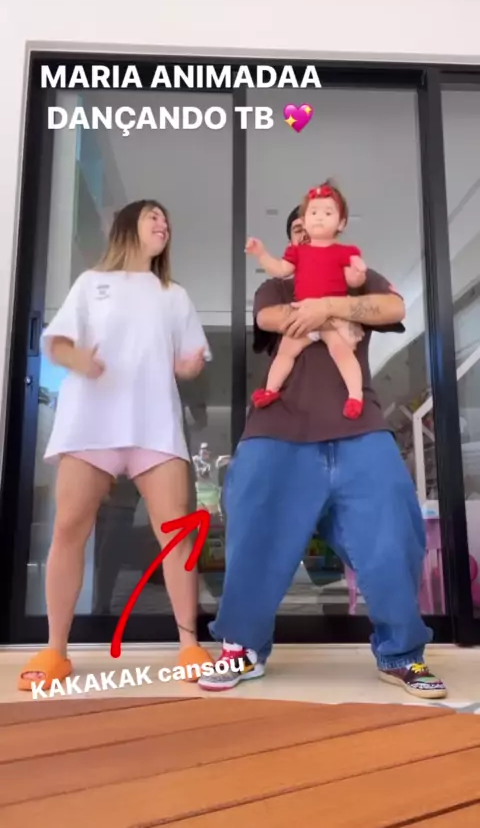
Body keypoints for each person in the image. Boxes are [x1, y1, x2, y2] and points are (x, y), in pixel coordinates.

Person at [198, 204, 447, 700]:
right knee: (252, 535)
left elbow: (393, 308)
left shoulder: (356, 273)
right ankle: (242, 648)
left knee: (394, 533)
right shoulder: (278, 285)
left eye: (315, 223)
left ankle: (401, 655)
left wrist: (330, 304)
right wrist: (327, 312)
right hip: (276, 430)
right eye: (297, 229)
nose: (307, 232)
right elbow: (268, 317)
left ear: (336, 228)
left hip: (359, 427)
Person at [19, 199, 214, 690]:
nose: (163, 224)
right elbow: (56, 342)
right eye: (153, 216)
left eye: (166, 220)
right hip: (91, 424)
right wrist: (78, 360)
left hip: (154, 425)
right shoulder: (91, 284)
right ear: (129, 226)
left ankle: (189, 645)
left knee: (176, 534)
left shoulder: (174, 295)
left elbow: (189, 359)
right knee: (69, 528)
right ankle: (55, 650)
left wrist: (189, 366)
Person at [247, 181, 366, 418]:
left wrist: (358, 272)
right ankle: (270, 390)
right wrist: (261, 254)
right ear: (305, 220)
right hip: (303, 317)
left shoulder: (345, 252)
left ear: (341, 223)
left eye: (327, 213)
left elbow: (353, 281)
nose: (319, 218)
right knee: (284, 353)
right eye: (313, 213)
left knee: (342, 352)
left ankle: (355, 396)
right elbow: (280, 269)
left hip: (332, 317)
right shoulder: (297, 252)